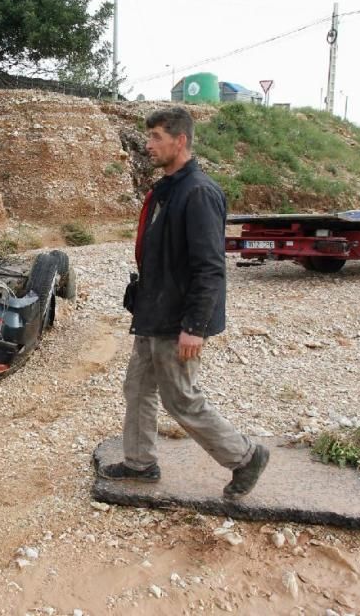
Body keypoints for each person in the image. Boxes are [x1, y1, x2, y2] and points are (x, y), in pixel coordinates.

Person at [99, 107, 269, 500]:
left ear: (181, 141)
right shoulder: (167, 188)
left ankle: (245, 457)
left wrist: (194, 327)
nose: (148, 144)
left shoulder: (199, 192)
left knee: (182, 400)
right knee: (138, 388)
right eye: (150, 136)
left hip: (177, 320)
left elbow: (210, 269)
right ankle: (140, 463)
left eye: (157, 136)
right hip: (153, 313)